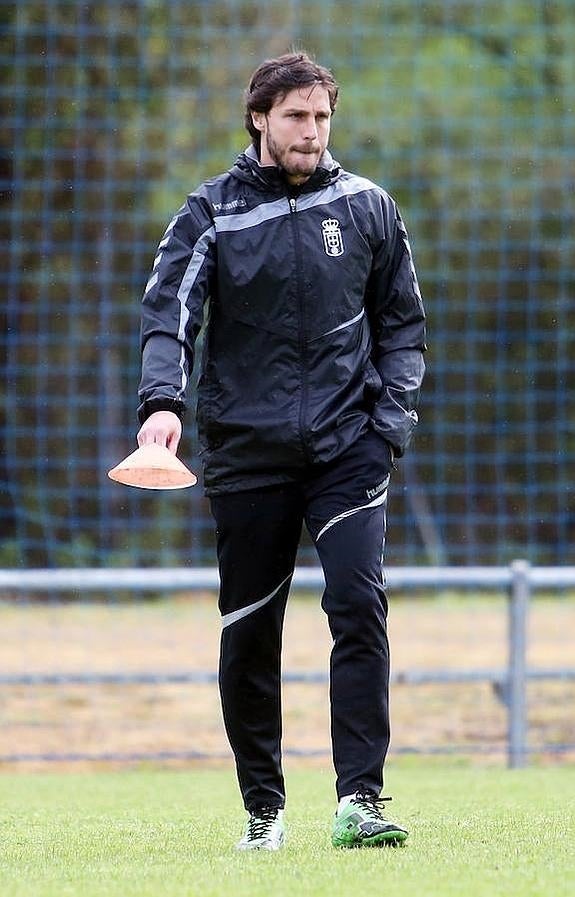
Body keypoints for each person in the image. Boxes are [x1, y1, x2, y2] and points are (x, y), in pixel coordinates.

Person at [136, 52, 426, 850]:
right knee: (250, 630)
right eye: (296, 116)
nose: (312, 131)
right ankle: (263, 812)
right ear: (259, 117)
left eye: (322, 117)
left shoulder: (368, 207)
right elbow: (169, 316)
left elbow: (402, 325)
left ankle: (359, 800)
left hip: (349, 450)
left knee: (358, 604)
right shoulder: (211, 214)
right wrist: (162, 406)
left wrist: (386, 424)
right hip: (247, 454)